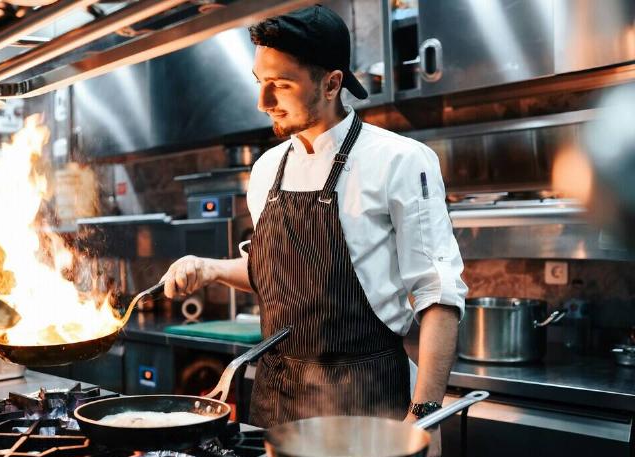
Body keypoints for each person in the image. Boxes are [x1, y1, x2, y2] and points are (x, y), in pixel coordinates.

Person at [161, 6, 467, 434]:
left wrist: (425, 416)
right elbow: (275, 271)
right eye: (260, 83)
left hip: (367, 402)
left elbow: (438, 296)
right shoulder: (268, 168)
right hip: (274, 398)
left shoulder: (399, 160)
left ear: (331, 83)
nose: (263, 102)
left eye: (281, 85)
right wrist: (210, 268)